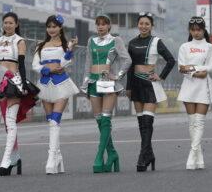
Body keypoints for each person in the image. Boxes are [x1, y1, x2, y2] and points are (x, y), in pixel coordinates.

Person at [126, 13, 176, 172]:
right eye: (141, 23)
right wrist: (128, 87)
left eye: (147, 24)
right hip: (136, 84)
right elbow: (129, 66)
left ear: (151, 26)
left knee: (147, 122)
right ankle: (149, 154)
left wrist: (161, 76)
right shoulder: (132, 43)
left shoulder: (156, 42)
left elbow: (171, 60)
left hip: (150, 85)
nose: (144, 26)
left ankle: (143, 155)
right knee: (141, 123)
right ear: (138, 25)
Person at [81, 15, 130, 174]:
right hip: (93, 83)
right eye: (98, 24)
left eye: (104, 24)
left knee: (106, 119)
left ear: (109, 26)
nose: (100, 27)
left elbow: (127, 60)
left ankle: (98, 156)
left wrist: (118, 76)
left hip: (109, 83)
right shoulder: (91, 41)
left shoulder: (116, 40)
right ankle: (113, 154)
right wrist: (85, 83)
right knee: (99, 121)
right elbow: (88, 63)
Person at [0, 12, 34, 176]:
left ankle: (6, 160)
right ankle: (15, 157)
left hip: (14, 82)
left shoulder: (19, 41)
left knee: (10, 120)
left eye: (10, 23)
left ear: (16, 24)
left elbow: (21, 64)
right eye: (5, 23)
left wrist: (23, 83)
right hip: (1, 83)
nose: (7, 25)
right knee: (7, 124)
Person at [34, 15, 80, 175]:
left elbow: (64, 63)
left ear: (60, 28)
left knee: (55, 121)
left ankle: (51, 158)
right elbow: (35, 65)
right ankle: (58, 157)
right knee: (50, 122)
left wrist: (70, 49)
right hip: (45, 84)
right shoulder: (40, 45)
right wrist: (48, 69)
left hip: (61, 84)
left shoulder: (66, 45)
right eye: (49, 26)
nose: (51, 29)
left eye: (54, 26)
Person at [176, 16, 212, 170]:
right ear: (190, 31)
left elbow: (211, 68)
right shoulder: (184, 47)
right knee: (192, 122)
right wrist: (197, 72)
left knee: (199, 122)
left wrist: (191, 68)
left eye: (199, 30)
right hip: (189, 85)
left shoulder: (211, 47)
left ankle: (192, 154)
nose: (196, 32)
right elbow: (181, 67)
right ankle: (198, 159)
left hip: (203, 86)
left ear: (204, 30)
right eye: (193, 30)